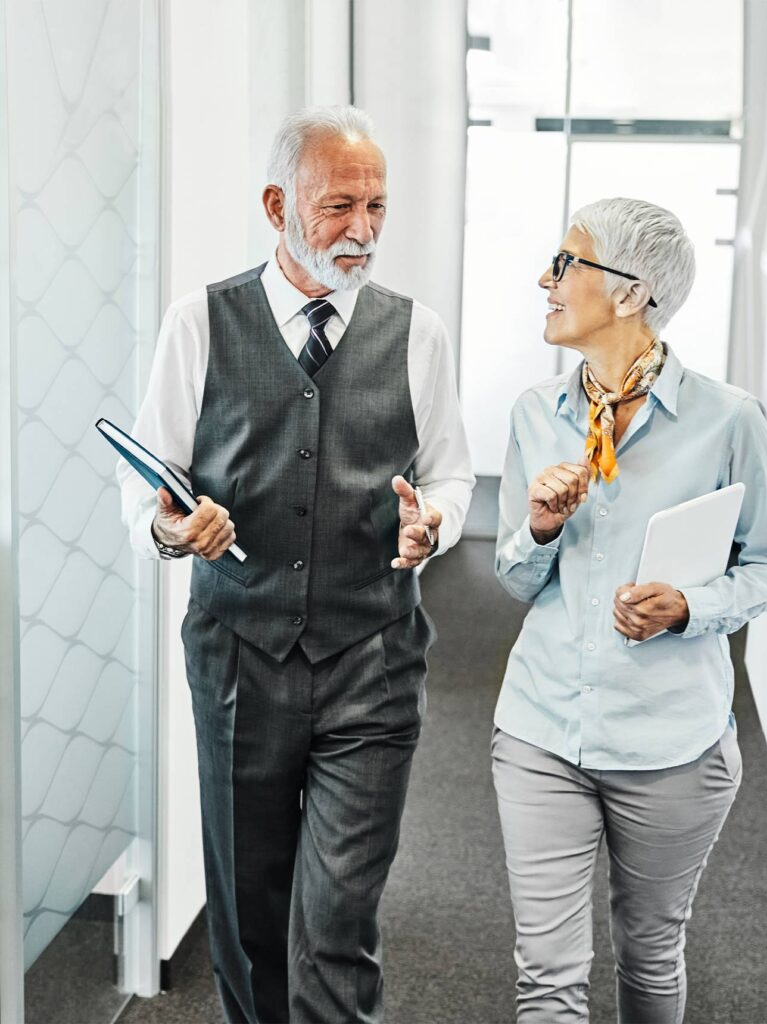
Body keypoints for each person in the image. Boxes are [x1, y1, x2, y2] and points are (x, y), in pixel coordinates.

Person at [118, 105, 474, 1023]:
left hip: (373, 660)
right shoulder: (199, 322)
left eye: (377, 207)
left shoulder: (418, 333)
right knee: (247, 914)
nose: (362, 231)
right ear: (278, 203)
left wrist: (429, 523)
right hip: (239, 658)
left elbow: (448, 471)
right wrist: (172, 529)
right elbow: (147, 493)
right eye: (338, 206)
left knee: (337, 919)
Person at [492, 197, 767, 1024]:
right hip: (541, 729)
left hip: (672, 744)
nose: (546, 282)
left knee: (649, 952)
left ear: (629, 293)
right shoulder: (536, 414)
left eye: (566, 265)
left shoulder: (728, 421)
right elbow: (517, 582)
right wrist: (539, 527)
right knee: (547, 979)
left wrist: (690, 607)